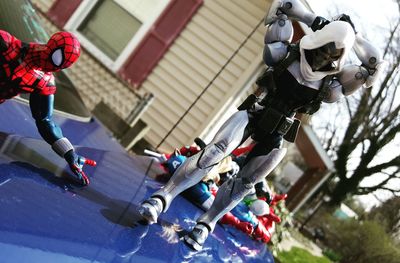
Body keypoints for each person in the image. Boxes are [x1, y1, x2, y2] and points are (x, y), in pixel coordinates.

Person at [138, 0, 384, 251]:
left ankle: (205, 225)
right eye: (322, 49)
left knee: (244, 184)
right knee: (215, 151)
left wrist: (355, 37)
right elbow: (283, 6)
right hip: (255, 112)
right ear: (317, 41)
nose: (322, 59)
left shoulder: (329, 86)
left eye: (332, 56)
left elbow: (372, 67)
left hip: (279, 134)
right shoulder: (286, 54)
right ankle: (162, 198)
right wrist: (314, 22)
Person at [0, 30, 96, 185]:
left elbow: (45, 120)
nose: (53, 66)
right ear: (50, 46)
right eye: (57, 57)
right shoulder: (8, 45)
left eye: (61, 64)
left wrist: (68, 152)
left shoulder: (44, 82)